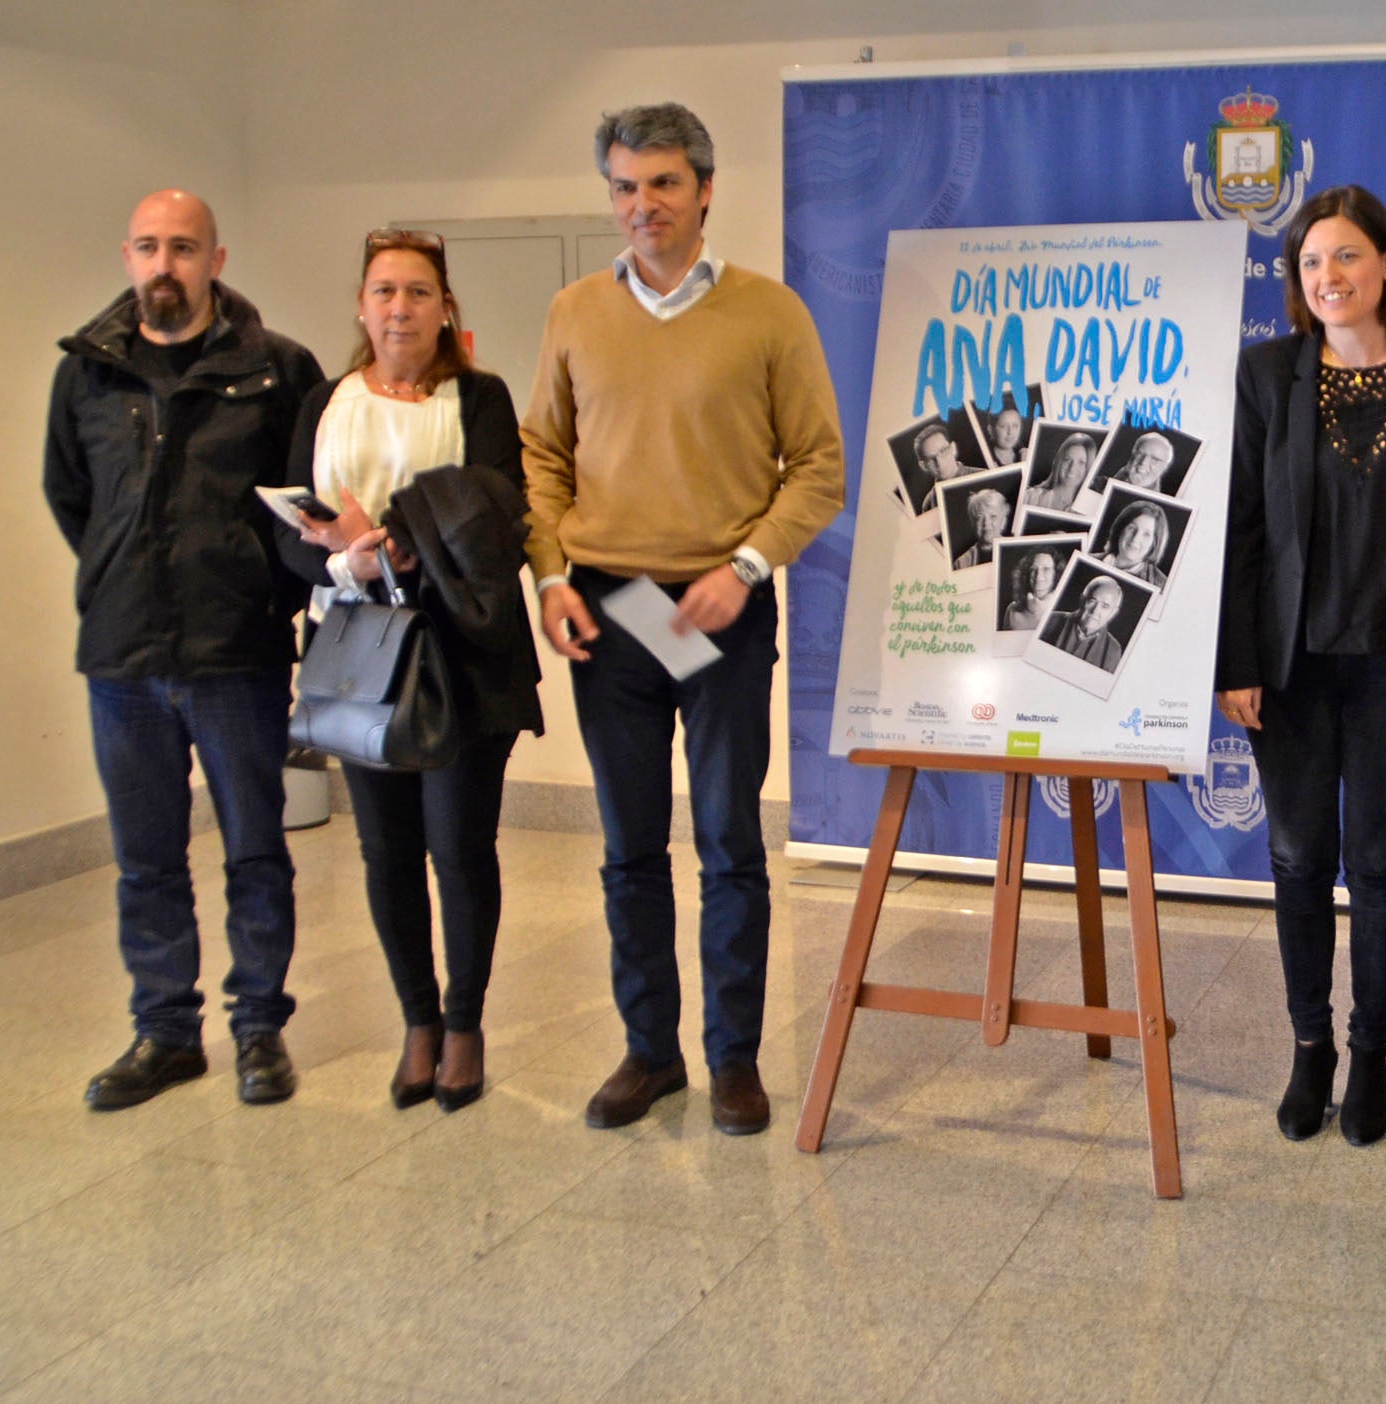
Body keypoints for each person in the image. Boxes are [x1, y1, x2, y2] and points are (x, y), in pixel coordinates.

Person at [522, 103, 845, 1136]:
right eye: (623, 187)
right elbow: (541, 458)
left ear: (706, 190)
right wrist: (550, 576)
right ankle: (649, 1054)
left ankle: (733, 1060)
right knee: (627, 848)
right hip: (609, 604)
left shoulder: (769, 313)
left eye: (662, 184)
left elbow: (819, 468)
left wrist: (745, 567)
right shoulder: (575, 310)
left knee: (725, 842)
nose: (641, 205)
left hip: (718, 607)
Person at [44, 190, 323, 1110]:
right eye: (150, 248)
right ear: (127, 256)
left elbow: (298, 512)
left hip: (234, 652)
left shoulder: (276, 370)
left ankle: (258, 1031)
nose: (166, 265)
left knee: (255, 850)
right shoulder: (86, 374)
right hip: (122, 658)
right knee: (146, 859)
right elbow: (72, 498)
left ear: (217, 258)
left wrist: (258, 592)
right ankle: (165, 1032)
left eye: (185, 248)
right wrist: (116, 576)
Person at [1215, 185, 1386, 1147]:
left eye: (1348, 257)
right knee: (1297, 859)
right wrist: (1235, 661)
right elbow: (1239, 527)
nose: (1329, 278)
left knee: (1382, 863)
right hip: (1293, 668)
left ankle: (1372, 1054)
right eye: (1312, 263)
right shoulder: (1267, 375)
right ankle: (1309, 1047)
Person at [277, 229, 543, 1113]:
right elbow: (288, 538)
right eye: (385, 291)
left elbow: (499, 520)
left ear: (445, 308)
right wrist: (341, 562)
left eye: (419, 292)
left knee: (460, 850)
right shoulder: (324, 399)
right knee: (385, 849)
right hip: (359, 655)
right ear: (361, 305)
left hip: (463, 653)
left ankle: (464, 1023)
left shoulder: (482, 398)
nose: (401, 308)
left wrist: (388, 541)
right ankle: (418, 1021)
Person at [1041, 577, 1127, 670]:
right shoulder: (1050, 620)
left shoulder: (1113, 650)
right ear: (1082, 599)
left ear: (1113, 612)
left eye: (1105, 606)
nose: (1095, 611)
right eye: (1092, 601)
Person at [1101, 500, 1170, 587]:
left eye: (1146, 534)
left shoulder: (1162, 586)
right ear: (1120, 529)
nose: (1136, 538)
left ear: (1154, 543)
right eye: (1132, 528)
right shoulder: (1088, 557)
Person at [911, 422, 973, 510]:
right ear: (923, 466)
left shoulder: (984, 476)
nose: (939, 462)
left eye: (943, 451)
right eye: (931, 459)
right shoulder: (929, 503)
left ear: (953, 448)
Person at [1025, 432, 1094, 510]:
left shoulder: (1090, 509)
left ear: (1088, 469)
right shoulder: (1030, 497)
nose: (1072, 468)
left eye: (1081, 462)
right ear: (1058, 462)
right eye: (1067, 460)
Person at [952, 488, 1010, 568]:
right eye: (979, 518)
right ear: (973, 523)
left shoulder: (1016, 550)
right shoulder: (961, 563)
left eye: (993, 516)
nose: (986, 523)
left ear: (1003, 520)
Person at [1003, 549, 1060, 630]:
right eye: (1033, 569)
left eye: (1046, 569)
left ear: (1056, 574)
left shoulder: (1062, 610)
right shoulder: (1012, 609)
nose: (1038, 575)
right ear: (1026, 574)